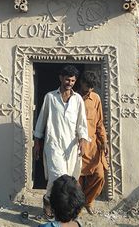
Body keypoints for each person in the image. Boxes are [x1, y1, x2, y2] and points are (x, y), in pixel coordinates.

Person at [33, 65, 89, 219]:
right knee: (58, 177)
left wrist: (83, 141)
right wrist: (37, 142)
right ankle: (50, 203)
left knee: (69, 180)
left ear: (75, 81)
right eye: (67, 79)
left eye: (72, 80)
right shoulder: (50, 97)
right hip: (54, 145)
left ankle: (60, 208)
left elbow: (82, 124)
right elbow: (41, 121)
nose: (69, 83)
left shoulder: (77, 99)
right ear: (60, 78)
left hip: (71, 147)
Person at [77, 71, 108, 215]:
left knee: (99, 175)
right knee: (76, 179)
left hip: (93, 146)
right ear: (81, 82)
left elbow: (100, 123)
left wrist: (104, 141)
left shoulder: (95, 99)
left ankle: (88, 201)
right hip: (76, 146)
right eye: (87, 85)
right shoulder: (72, 97)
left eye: (91, 87)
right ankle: (76, 205)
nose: (89, 89)